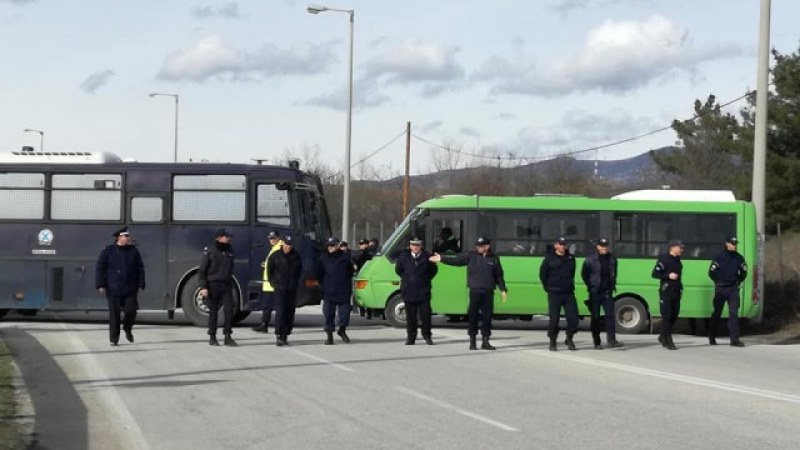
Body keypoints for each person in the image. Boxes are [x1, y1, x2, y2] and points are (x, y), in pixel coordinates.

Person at [431, 236, 507, 350]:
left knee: (487, 317)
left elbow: (499, 275)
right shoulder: (471, 256)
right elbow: (456, 261)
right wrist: (441, 258)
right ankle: (472, 341)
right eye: (477, 245)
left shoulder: (494, 258)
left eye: (481, 246)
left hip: (488, 292)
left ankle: (485, 341)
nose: (478, 248)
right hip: (475, 291)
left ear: (487, 246)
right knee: (473, 316)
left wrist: (503, 289)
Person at [95, 227, 145, 346]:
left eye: (128, 236)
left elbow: (140, 268)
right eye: (126, 236)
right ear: (119, 237)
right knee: (114, 315)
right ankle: (114, 338)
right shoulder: (108, 251)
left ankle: (127, 328)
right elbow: (100, 268)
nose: (128, 238)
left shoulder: (133, 251)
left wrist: (141, 283)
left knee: (132, 311)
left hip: (130, 288)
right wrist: (100, 284)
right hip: (113, 288)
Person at [395, 237, 439, 345]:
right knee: (411, 318)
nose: (415, 247)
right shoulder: (404, 257)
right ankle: (411, 337)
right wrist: (407, 279)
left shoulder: (427, 256)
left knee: (426, 317)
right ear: (410, 246)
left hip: (423, 291)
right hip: (409, 291)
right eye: (413, 245)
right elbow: (398, 270)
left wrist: (424, 280)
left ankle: (427, 336)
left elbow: (433, 271)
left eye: (417, 245)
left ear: (421, 246)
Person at [581, 238, 623, 349]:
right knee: (595, 317)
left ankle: (612, 340)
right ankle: (597, 342)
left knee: (610, 316)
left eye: (606, 246)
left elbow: (614, 274)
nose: (604, 248)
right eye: (602, 246)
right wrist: (590, 286)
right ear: (597, 247)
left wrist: (612, 286)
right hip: (595, 292)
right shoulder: (590, 260)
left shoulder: (612, 259)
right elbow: (584, 274)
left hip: (607, 292)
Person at [198, 229, 237, 347]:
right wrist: (203, 287)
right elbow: (202, 271)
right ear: (219, 238)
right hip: (212, 285)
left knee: (229, 310)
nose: (229, 238)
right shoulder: (210, 251)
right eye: (226, 237)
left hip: (226, 285)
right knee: (213, 312)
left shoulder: (230, 251)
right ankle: (212, 336)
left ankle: (227, 336)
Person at [540, 236, 579, 351]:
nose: (562, 246)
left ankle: (569, 338)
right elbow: (542, 274)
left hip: (568, 293)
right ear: (555, 245)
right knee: (554, 319)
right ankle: (553, 341)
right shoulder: (549, 258)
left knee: (573, 318)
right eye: (560, 244)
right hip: (554, 293)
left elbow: (572, 273)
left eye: (564, 244)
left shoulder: (571, 258)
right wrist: (548, 287)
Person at [708, 236, 747, 347]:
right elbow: (711, 272)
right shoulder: (719, 257)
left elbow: (743, 272)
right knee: (717, 313)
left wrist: (738, 281)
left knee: (733, 314)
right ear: (726, 244)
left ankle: (734, 339)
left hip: (733, 289)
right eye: (732, 244)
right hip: (721, 288)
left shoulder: (739, 258)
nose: (734, 246)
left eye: (735, 244)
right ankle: (712, 337)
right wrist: (717, 281)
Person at [317, 237, 355, 344]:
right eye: (329, 245)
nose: (330, 247)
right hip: (329, 291)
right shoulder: (323, 258)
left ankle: (342, 330)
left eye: (333, 245)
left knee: (344, 314)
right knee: (329, 314)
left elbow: (350, 271)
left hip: (343, 291)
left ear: (338, 246)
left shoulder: (345, 258)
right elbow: (319, 274)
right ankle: (329, 336)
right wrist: (323, 286)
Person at [267, 235, 303, 346]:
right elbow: (269, 270)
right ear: (284, 244)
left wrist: (295, 283)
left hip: (291, 289)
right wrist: (273, 283)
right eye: (287, 244)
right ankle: (279, 335)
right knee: (280, 312)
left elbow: (299, 272)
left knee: (289, 312)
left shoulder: (296, 256)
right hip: (280, 288)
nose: (289, 247)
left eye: (290, 245)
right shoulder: (275, 256)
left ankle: (286, 334)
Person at [652, 239, 684, 350]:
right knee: (667, 316)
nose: (682, 249)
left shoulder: (678, 260)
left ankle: (662, 336)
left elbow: (679, 277)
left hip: (676, 291)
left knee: (674, 316)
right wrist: (667, 275)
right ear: (673, 248)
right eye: (680, 247)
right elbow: (655, 274)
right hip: (666, 291)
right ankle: (669, 341)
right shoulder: (664, 259)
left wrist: (681, 289)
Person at [252, 231, 282, 333]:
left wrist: (267, 265)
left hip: (273, 283)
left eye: (273, 238)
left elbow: (278, 264)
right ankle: (264, 324)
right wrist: (266, 264)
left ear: (278, 238)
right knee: (267, 305)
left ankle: (273, 325)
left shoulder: (279, 248)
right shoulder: (275, 248)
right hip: (268, 283)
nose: (271, 240)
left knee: (275, 305)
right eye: (270, 238)